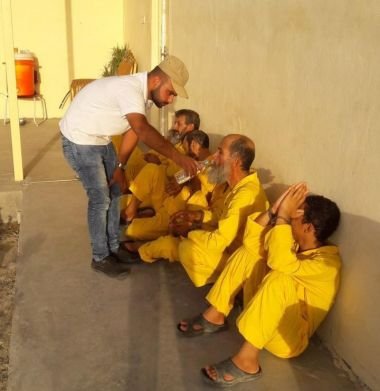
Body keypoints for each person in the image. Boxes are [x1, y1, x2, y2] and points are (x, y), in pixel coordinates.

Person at [178, 183, 342, 388]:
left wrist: (283, 216)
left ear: (308, 228)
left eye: (294, 218)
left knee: (280, 278)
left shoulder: (327, 265)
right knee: (248, 253)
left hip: (288, 340)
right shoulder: (294, 244)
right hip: (268, 318)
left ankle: (247, 361)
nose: (289, 220)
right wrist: (273, 211)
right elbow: (251, 240)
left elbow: (280, 263)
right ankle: (216, 315)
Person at [60, 55, 198, 278]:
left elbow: (133, 130)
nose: (172, 99)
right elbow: (142, 129)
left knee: (115, 191)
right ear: (156, 81)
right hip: (80, 140)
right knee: (100, 198)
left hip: (100, 139)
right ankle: (100, 256)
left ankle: (114, 248)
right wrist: (179, 158)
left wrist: (120, 166)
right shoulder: (130, 89)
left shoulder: (143, 97)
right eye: (171, 92)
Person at [122, 130, 213, 241]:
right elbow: (173, 177)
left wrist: (186, 181)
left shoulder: (212, 166)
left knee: (131, 231)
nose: (185, 153)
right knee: (152, 169)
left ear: (193, 145)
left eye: (185, 149)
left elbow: (203, 197)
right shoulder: (192, 161)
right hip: (166, 198)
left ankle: (149, 216)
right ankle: (131, 212)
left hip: (176, 210)